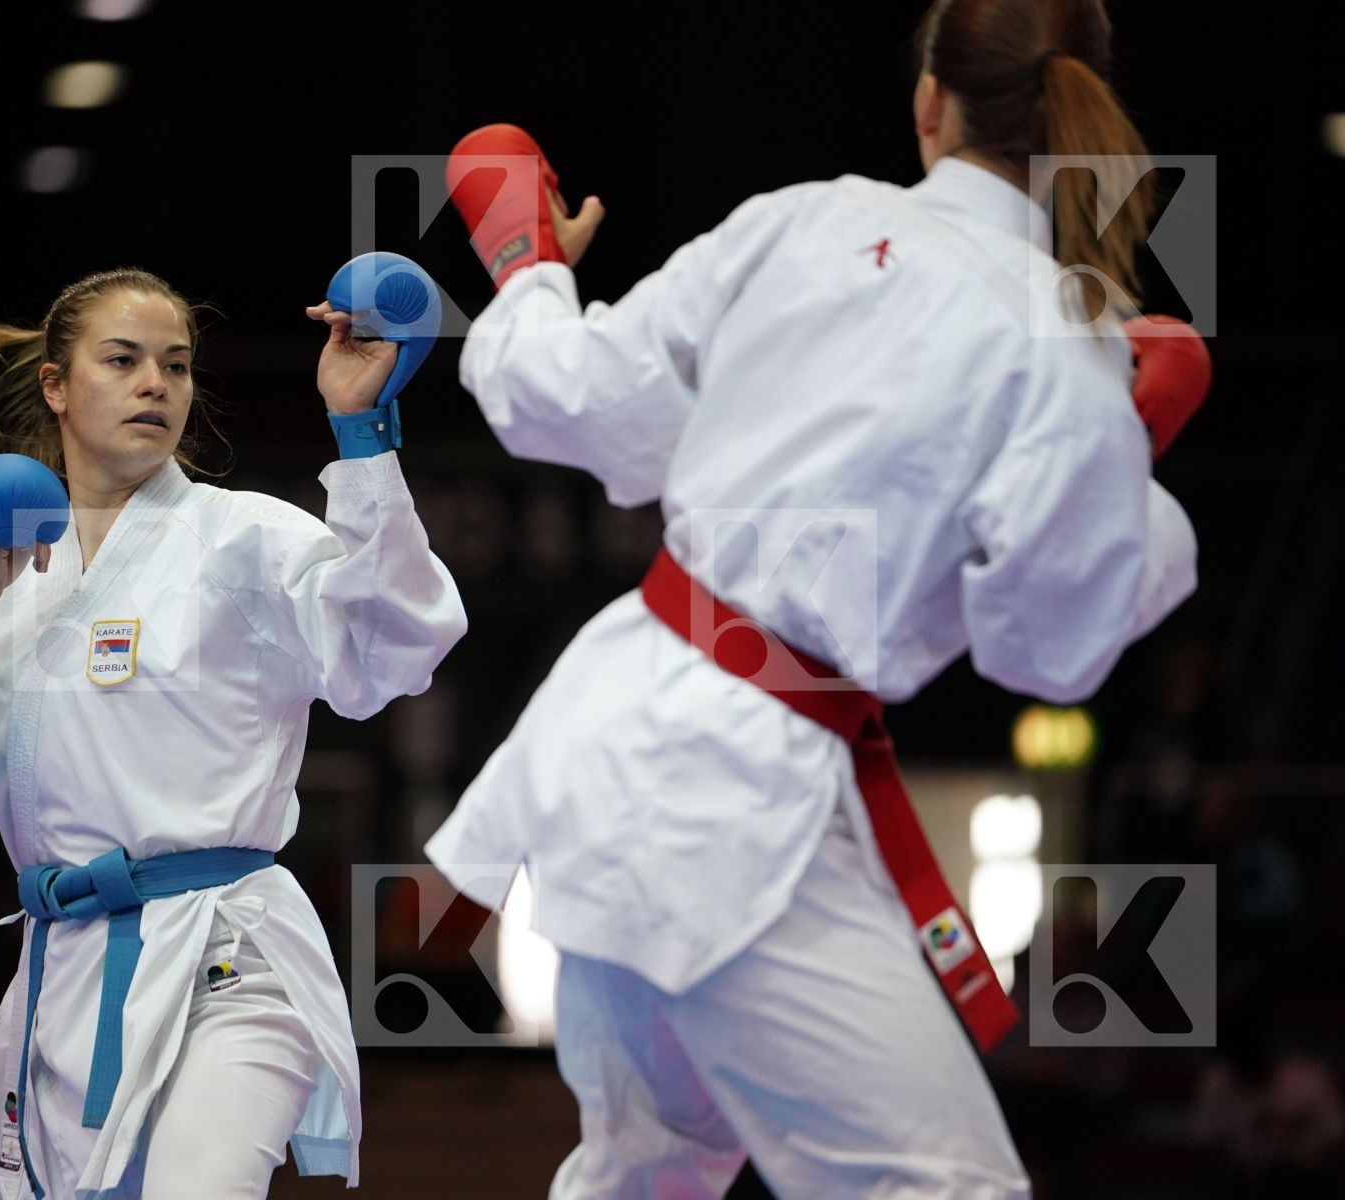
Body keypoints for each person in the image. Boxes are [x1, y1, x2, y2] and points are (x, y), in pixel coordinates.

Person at [424, 0, 1210, 1196]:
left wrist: (527, 266)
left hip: (612, 744)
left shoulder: (801, 221)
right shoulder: (1071, 342)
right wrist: (1138, 497)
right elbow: (1045, 651)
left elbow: (571, 401)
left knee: (650, 1169)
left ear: (930, 102)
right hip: (728, 803)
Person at [0, 266, 467, 1198]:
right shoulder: (10, 575)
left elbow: (392, 651)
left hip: (227, 961)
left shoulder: (240, 539)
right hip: (61, 974)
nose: (156, 385)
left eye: (175, 366)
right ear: (56, 385)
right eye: (123, 360)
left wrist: (360, 429)